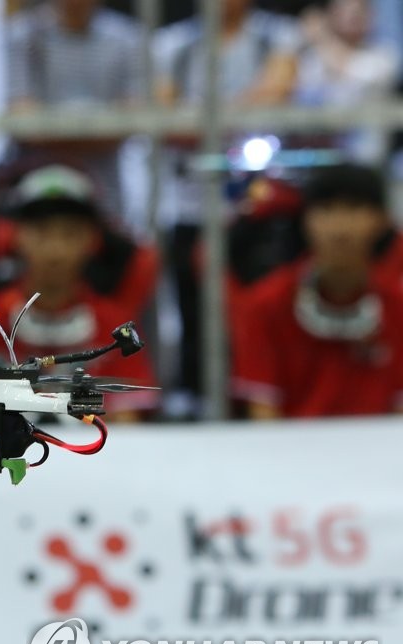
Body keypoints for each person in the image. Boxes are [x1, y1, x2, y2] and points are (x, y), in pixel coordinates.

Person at [154, 0, 303, 408]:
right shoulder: (172, 45)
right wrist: (233, 117)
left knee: (259, 305)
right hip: (190, 202)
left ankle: (257, 394)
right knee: (192, 307)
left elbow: (275, 96)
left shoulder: (277, 36)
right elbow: (166, 117)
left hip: (257, 206)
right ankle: (194, 394)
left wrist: (202, 119)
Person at [0, 165, 158, 420]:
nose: (55, 250)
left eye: (69, 233)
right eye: (41, 231)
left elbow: (129, 419)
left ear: (92, 240)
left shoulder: (114, 327)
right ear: (15, 236)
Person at [232, 164, 403, 419]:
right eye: (326, 209)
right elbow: (264, 417)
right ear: (305, 220)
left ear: (382, 220)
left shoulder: (397, 308)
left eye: (354, 208)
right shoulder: (265, 305)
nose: (340, 227)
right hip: (290, 444)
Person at [5, 0, 145, 224]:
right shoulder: (24, 36)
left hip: (106, 195)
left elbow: (130, 121)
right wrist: (99, 129)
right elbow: (24, 123)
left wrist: (52, 131)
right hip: (35, 195)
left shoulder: (126, 38)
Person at [296, 0, 399, 162]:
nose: (352, 16)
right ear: (331, 14)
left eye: (358, 11)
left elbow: (356, 74)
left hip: (366, 158)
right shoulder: (313, 57)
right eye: (344, 10)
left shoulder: (384, 55)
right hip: (317, 153)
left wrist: (323, 38)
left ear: (371, 16)